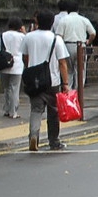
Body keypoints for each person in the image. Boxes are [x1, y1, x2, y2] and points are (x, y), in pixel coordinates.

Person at [21, 10, 71, 152]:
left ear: (37, 22)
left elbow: (25, 57)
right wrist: (65, 83)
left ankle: (33, 136)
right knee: (53, 112)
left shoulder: (28, 37)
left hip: (34, 81)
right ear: (51, 23)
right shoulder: (56, 39)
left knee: (36, 110)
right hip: (52, 81)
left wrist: (31, 68)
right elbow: (62, 63)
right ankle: (54, 141)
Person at [53, 0, 95, 91]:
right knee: (81, 70)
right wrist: (88, 41)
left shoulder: (63, 20)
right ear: (78, 10)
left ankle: (69, 91)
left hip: (67, 46)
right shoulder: (84, 19)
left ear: (68, 10)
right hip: (81, 46)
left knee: (69, 70)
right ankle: (79, 91)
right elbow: (93, 33)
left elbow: (59, 35)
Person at [0, 16, 25, 119]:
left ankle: (7, 109)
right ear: (20, 26)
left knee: (7, 88)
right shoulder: (22, 37)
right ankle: (13, 111)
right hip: (17, 65)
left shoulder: (2, 35)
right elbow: (26, 50)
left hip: (4, 65)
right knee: (14, 89)